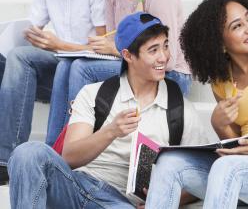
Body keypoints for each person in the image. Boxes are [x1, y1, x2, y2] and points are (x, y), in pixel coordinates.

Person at [7, 12, 207, 208]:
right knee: (27, 152)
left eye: (165, 46)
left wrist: (161, 201)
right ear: (128, 55)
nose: (163, 57)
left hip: (119, 201)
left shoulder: (179, 110)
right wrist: (110, 132)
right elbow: (69, 157)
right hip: (75, 186)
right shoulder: (94, 94)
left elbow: (202, 176)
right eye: (153, 50)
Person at [146, 0, 248, 209]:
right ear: (220, 43)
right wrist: (219, 125)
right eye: (237, 26)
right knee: (168, 163)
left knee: (227, 167)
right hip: (244, 166)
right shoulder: (221, 82)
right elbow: (236, 144)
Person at [46, 0, 191, 146]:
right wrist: (104, 46)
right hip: (134, 64)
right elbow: (116, 41)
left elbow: (167, 58)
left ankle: (73, 145)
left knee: (80, 69)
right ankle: (52, 146)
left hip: (170, 74)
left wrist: (114, 48)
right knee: (65, 66)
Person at [0, 0, 112, 185]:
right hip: (62, 62)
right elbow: (34, 27)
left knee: (62, 64)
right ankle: (6, 159)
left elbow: (102, 49)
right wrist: (29, 36)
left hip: (89, 70)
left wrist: (58, 44)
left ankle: (34, 156)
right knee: (13, 57)